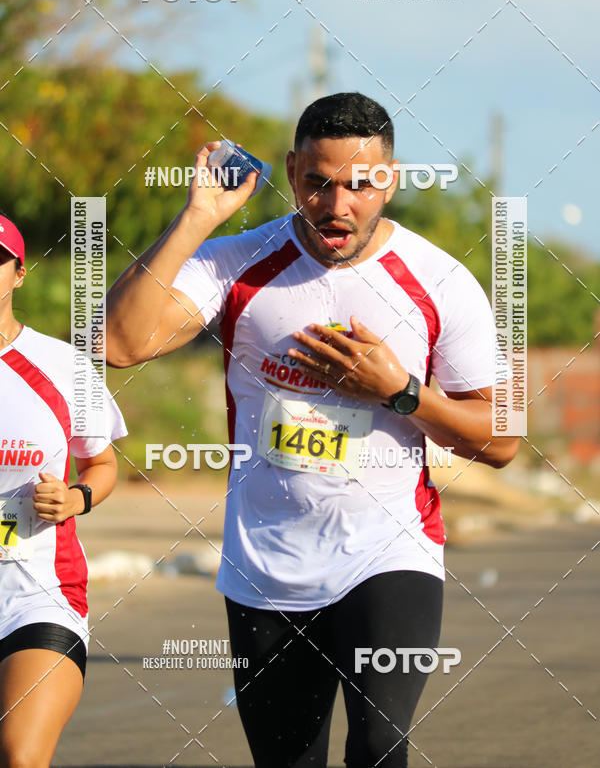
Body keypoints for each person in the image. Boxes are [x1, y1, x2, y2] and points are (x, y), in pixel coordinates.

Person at [105, 92, 519, 768]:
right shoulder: (237, 263)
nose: (337, 205)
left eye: (360, 185)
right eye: (319, 183)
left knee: (379, 747)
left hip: (389, 553)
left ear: (390, 180)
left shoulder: (440, 281)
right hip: (265, 566)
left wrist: (400, 392)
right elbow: (118, 343)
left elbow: (501, 440)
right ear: (293, 172)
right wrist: (197, 218)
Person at [0, 213, 127, 767]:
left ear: (19, 273)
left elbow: (102, 463)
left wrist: (77, 498)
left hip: (37, 595)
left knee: (20, 756)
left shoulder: (61, 365)